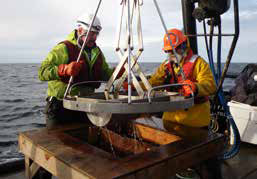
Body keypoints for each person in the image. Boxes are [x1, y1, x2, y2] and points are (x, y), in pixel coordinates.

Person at [147, 29, 221, 179]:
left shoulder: (198, 63)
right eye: (168, 51)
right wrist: (134, 85)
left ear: (183, 46)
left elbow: (211, 84)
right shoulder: (166, 65)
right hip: (171, 121)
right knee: (171, 158)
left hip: (195, 122)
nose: (171, 54)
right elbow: (153, 82)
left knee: (204, 160)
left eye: (174, 49)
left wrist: (196, 87)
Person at [38, 13, 115, 130]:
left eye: (96, 34)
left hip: (85, 106)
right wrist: (64, 70)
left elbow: (104, 73)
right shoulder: (63, 48)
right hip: (60, 106)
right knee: (57, 144)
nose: (94, 38)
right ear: (79, 30)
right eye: (91, 33)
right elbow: (42, 72)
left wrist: (117, 73)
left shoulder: (97, 52)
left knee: (86, 142)